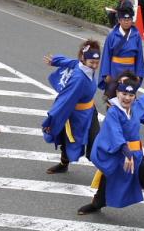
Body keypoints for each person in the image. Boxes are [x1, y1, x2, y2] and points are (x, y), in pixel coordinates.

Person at [77, 74, 144, 231]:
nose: (127, 98)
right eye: (124, 94)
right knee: (108, 180)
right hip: (119, 155)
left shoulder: (135, 107)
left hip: (136, 156)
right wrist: (126, 151)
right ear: (117, 93)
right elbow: (115, 133)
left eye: (131, 95)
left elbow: (143, 103)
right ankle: (97, 203)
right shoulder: (113, 112)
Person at [42, 41, 102, 174]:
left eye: (97, 63)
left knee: (95, 143)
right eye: (91, 62)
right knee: (67, 139)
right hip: (76, 115)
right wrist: (52, 120)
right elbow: (64, 101)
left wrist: (55, 61)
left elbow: (70, 62)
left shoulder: (82, 66)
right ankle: (63, 164)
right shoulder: (79, 79)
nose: (94, 66)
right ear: (83, 59)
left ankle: (106, 173)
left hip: (90, 111)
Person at [98, 5, 144, 100]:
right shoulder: (112, 35)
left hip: (131, 71)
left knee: (129, 97)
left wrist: (138, 74)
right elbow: (106, 55)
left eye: (129, 19)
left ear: (132, 20)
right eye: (124, 19)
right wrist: (106, 73)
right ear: (119, 20)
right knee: (113, 98)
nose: (127, 21)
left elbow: (139, 56)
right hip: (115, 70)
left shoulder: (136, 35)